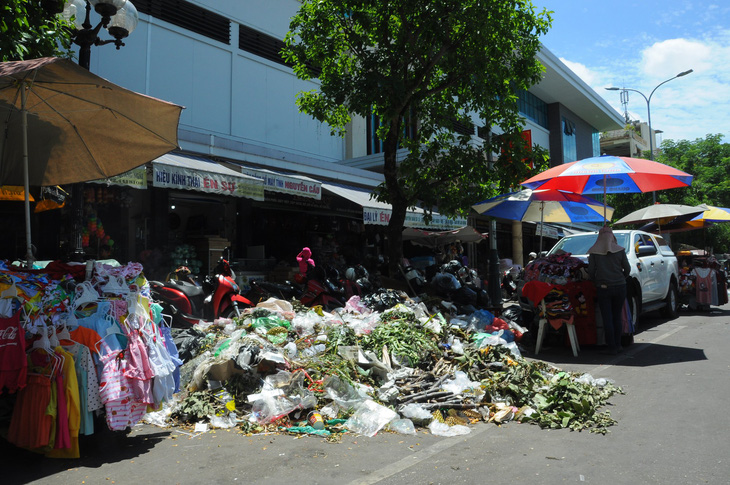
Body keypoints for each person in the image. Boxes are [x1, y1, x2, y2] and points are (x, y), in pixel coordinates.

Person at [587, 226, 631, 355]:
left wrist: (596, 281)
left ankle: (611, 347)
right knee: (617, 316)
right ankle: (618, 345)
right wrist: (622, 278)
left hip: (603, 288)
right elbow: (627, 269)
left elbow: (590, 271)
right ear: (612, 236)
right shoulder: (620, 251)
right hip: (620, 287)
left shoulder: (594, 252)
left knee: (607, 318)